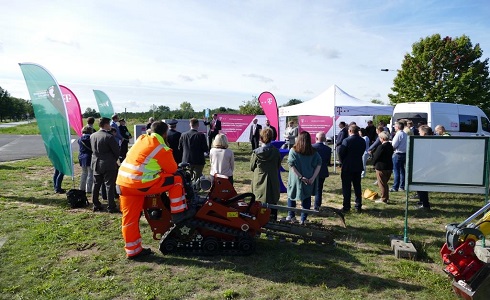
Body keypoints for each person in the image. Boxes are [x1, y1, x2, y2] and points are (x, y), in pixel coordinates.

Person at [117, 121, 194, 259]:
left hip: (123, 183)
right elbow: (172, 169)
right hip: (140, 184)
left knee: (129, 219)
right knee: (176, 180)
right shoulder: (160, 148)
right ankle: (178, 213)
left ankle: (133, 251)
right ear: (165, 134)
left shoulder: (141, 139)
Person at [285, 131, 322, 224]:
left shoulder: (293, 150)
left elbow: (291, 165)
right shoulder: (313, 152)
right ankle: (303, 219)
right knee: (307, 197)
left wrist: (301, 177)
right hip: (309, 177)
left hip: (295, 178)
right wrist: (313, 177)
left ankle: (291, 216)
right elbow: (319, 164)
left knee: (291, 196)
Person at [250, 128, 281, 221]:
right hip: (272, 180)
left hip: (259, 180)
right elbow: (278, 165)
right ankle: (272, 222)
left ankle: (257, 221)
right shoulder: (276, 152)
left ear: (261, 138)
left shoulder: (256, 152)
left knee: (258, 202)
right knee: (272, 202)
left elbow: (252, 167)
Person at [91, 117, 120, 213]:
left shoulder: (93, 135)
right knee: (109, 185)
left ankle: (95, 203)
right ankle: (111, 206)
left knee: (96, 184)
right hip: (108, 163)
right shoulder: (109, 137)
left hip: (96, 162)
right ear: (106, 125)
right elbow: (116, 151)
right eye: (109, 124)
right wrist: (114, 160)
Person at [338, 125, 366, 213]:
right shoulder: (362, 140)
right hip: (357, 165)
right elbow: (362, 151)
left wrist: (342, 162)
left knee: (346, 187)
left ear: (350, 131)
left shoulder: (346, 140)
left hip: (347, 166)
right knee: (357, 186)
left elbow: (341, 152)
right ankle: (358, 205)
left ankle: (346, 206)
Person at [372, 131, 394, 204]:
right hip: (389, 167)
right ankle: (386, 197)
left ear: (382, 138)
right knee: (385, 183)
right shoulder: (390, 146)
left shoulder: (381, 147)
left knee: (382, 184)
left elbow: (376, 156)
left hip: (381, 167)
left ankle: (383, 198)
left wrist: (373, 163)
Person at [312, 131, 332, 210]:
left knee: (308, 189)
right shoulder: (328, 149)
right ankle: (317, 206)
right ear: (324, 139)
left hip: (312, 171)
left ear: (316, 138)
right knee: (319, 189)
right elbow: (328, 161)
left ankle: (306, 205)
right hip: (322, 170)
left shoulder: (311, 147)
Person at [416, 125, 434, 210]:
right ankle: (422, 202)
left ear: (424, 133)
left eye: (420, 132)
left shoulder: (427, 142)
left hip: (425, 166)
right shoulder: (427, 141)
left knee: (422, 185)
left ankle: (425, 204)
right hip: (422, 166)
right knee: (419, 185)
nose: (419, 133)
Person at [390, 121, 408, 192]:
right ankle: (402, 186)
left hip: (398, 154)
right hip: (404, 153)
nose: (394, 127)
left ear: (397, 127)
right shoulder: (405, 134)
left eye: (395, 126)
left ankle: (395, 187)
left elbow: (394, 145)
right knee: (402, 170)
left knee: (396, 171)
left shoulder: (398, 134)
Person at [78, 125, 94, 193]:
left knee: (84, 173)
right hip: (89, 156)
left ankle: (82, 188)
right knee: (90, 173)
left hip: (82, 157)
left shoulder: (80, 139)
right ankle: (89, 189)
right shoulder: (91, 138)